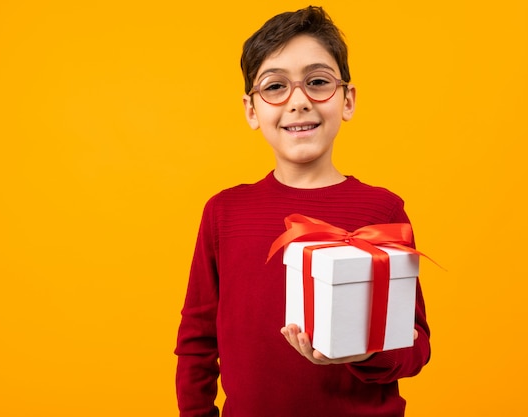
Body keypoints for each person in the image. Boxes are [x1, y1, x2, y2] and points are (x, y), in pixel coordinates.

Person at [175, 6, 430, 417]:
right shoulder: (224, 212)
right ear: (251, 110)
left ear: (347, 100)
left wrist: (359, 353)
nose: (298, 102)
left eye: (317, 82)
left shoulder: (382, 209)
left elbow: (416, 346)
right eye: (275, 87)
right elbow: (197, 340)